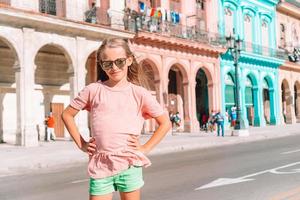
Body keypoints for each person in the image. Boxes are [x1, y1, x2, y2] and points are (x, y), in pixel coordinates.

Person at [62, 38, 171, 200]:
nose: (114, 68)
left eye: (119, 62)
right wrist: (82, 144)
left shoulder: (139, 93)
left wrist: (145, 148)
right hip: (100, 165)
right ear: (101, 65)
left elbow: (165, 123)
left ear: (129, 60)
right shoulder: (93, 90)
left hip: (129, 164)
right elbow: (66, 114)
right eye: (107, 63)